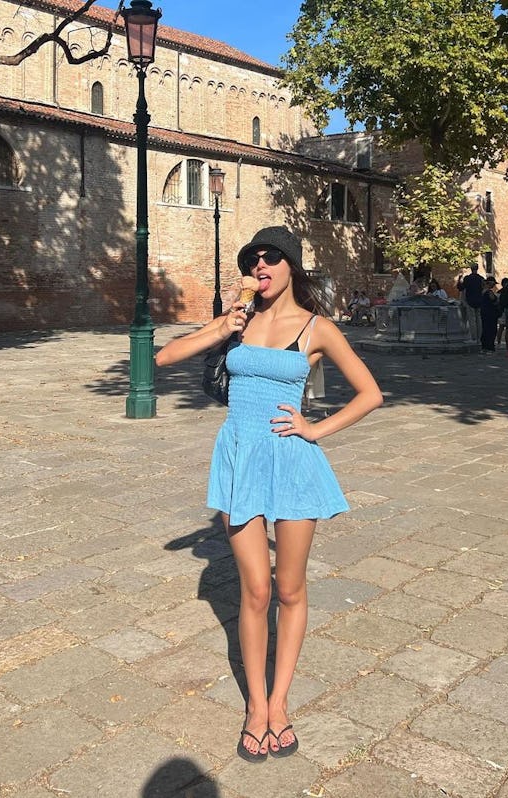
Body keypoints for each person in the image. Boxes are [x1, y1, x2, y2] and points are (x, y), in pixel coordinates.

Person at [155, 226, 382, 763]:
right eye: (253, 259)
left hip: (293, 461)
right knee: (255, 590)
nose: (261, 266)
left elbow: (370, 393)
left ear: (291, 266)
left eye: (271, 258)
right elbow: (164, 360)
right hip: (239, 455)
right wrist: (221, 324)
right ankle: (255, 705)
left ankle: (280, 703)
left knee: (290, 588)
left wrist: (314, 429)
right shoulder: (239, 322)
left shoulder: (316, 327)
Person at [457, 263, 484, 347]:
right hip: (479, 301)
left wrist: (459, 279)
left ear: (471, 269)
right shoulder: (481, 278)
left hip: (470, 301)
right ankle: (479, 338)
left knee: (472, 320)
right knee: (479, 320)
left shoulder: (468, 278)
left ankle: (473, 338)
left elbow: (461, 288)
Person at [480, 276, 499, 353]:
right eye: (493, 283)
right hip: (490, 314)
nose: (494, 285)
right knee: (491, 330)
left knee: (485, 330)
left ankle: (484, 347)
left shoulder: (482, 291)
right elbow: (493, 300)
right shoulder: (489, 292)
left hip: (484, 312)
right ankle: (490, 347)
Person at [496, 277, 508, 349]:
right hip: (504, 311)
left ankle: (500, 342)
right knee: (505, 328)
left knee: (502, 328)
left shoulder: (499, 292)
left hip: (502, 311)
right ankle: (502, 342)